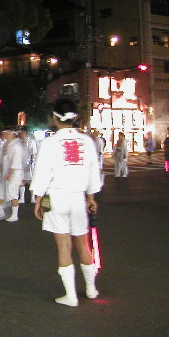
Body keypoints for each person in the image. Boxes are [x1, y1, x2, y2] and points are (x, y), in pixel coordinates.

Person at [30, 98, 101, 307]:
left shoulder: (49, 143)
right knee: (83, 243)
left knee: (63, 246)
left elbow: (42, 175)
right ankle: (91, 288)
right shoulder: (87, 141)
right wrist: (91, 198)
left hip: (55, 195)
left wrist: (38, 202)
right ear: (75, 117)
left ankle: (70, 295)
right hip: (78, 196)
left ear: (54, 117)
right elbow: (93, 171)